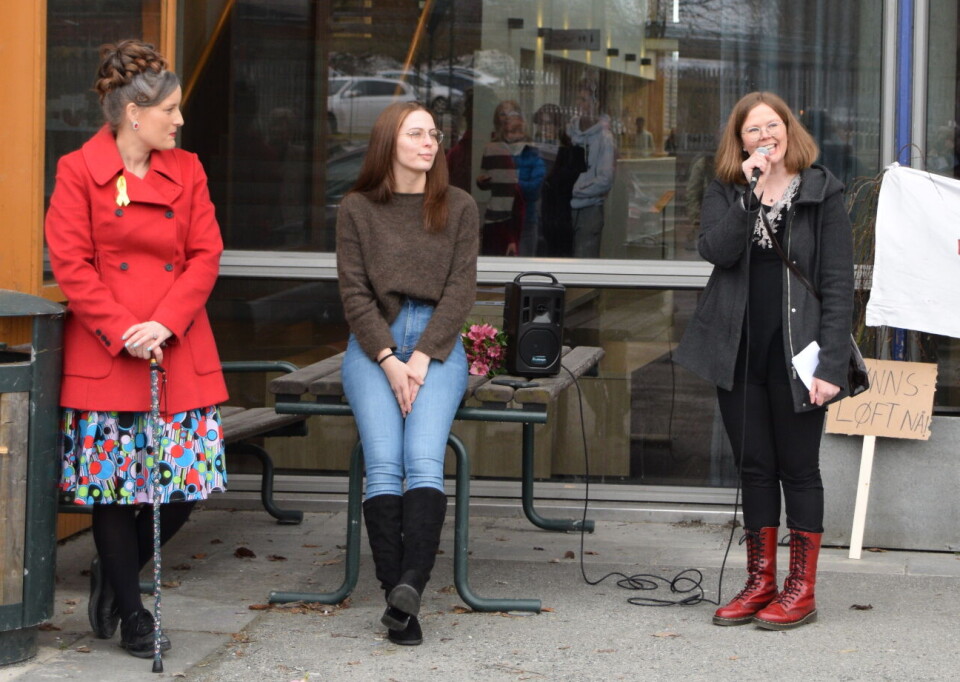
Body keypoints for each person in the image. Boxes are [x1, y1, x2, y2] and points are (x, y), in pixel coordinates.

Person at [44, 40, 228, 657]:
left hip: (177, 343)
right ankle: (132, 613)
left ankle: (115, 570)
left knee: (187, 483)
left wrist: (165, 323)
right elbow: (71, 264)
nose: (179, 120)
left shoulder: (189, 169)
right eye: (170, 109)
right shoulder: (78, 170)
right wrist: (125, 330)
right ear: (134, 114)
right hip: (109, 351)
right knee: (115, 489)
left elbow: (206, 254)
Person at [675, 92, 854, 630]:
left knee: (798, 468)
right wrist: (749, 195)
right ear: (740, 142)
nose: (764, 136)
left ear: (788, 130)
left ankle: (801, 590)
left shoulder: (821, 191)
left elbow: (837, 284)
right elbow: (717, 251)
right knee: (753, 467)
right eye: (752, 130)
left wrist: (831, 367)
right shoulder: (728, 188)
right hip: (738, 350)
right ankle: (761, 582)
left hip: (799, 356)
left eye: (772, 126)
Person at [336, 101, 479, 646]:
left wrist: (420, 357)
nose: (429, 143)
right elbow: (354, 293)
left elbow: (461, 290)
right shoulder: (357, 209)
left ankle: (411, 584)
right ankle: (396, 598)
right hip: (374, 343)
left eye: (433, 134)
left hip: (436, 345)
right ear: (387, 143)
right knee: (383, 463)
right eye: (416, 133)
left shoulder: (458, 206)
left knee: (422, 459)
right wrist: (388, 358)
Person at [568, 80, 615, 257]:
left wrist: (574, 190)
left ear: (596, 104)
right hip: (565, 207)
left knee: (584, 259)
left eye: (585, 100)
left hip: (590, 208)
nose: (581, 105)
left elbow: (605, 179)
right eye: (578, 99)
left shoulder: (604, 138)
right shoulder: (568, 132)